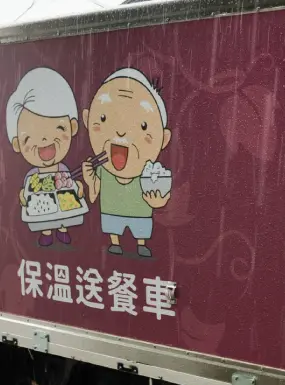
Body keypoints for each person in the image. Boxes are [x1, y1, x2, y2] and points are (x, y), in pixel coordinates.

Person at [82, 68, 172, 258]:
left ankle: (141, 244)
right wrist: (90, 180)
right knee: (112, 226)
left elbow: (159, 198)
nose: (121, 132)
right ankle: (115, 243)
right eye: (104, 118)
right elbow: (94, 194)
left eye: (143, 126)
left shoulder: (149, 173)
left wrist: (157, 201)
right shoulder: (104, 169)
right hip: (111, 210)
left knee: (141, 228)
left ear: (163, 139)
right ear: (87, 120)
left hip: (140, 213)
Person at [6, 66, 85, 247]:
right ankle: (46, 232)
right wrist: (23, 197)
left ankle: (62, 230)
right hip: (40, 212)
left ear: (72, 127)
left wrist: (79, 190)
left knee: (65, 215)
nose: (44, 139)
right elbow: (27, 195)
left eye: (58, 128)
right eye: (29, 136)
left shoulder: (64, 171)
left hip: (66, 209)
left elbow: (72, 187)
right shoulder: (32, 177)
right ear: (17, 144)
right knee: (44, 217)